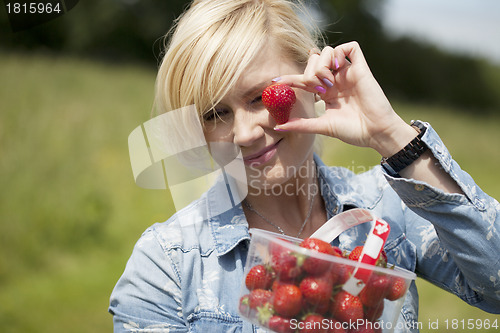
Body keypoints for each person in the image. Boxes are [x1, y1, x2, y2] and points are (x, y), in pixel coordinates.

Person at [109, 0, 500, 332]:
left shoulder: (387, 210)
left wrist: (390, 136)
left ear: (314, 79)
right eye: (215, 113)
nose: (244, 134)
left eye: (262, 97)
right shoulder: (167, 267)